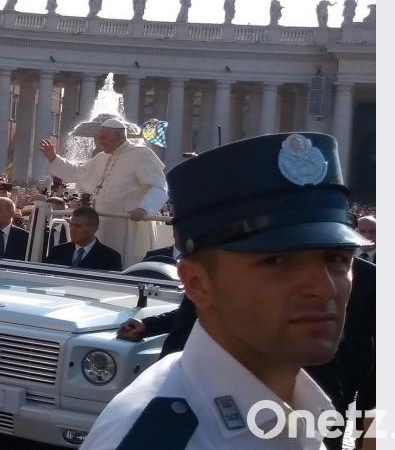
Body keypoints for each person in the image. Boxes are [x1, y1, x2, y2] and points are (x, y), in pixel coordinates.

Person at [80, 132, 373, 449]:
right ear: (196, 283)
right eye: (276, 262)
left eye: (337, 259)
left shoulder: (302, 403)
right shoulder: (163, 438)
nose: (325, 288)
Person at [39, 118, 168, 267]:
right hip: (103, 223)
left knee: (123, 265)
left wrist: (144, 208)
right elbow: (78, 173)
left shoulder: (141, 154)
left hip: (128, 225)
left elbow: (159, 187)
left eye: (103, 137)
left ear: (119, 136)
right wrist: (54, 158)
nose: (99, 141)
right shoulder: (102, 157)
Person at [44, 206, 122, 271]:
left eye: (78, 226)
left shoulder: (111, 258)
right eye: (71, 225)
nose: (72, 230)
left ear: (93, 228)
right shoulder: (57, 251)